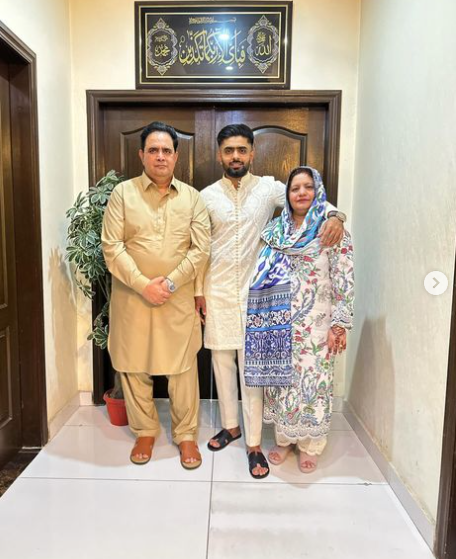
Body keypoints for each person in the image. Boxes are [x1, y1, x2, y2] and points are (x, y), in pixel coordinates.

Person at [195, 124, 346, 479]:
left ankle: (252, 443)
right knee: (221, 361)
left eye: (242, 150)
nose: (235, 156)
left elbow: (308, 198)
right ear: (220, 154)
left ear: (252, 153)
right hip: (216, 291)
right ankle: (230, 426)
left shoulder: (268, 189)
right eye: (229, 150)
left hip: (258, 294)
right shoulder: (205, 196)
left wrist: (336, 216)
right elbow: (199, 247)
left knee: (253, 369)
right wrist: (198, 291)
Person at [102, 121, 210, 469]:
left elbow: (200, 250)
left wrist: (171, 283)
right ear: (141, 155)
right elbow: (111, 245)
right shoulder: (123, 194)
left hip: (175, 300)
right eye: (153, 150)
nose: (160, 156)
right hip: (133, 298)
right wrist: (142, 283)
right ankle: (145, 430)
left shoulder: (192, 198)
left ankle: (187, 435)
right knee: (134, 366)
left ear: (176, 156)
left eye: (166, 150)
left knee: (182, 368)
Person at [244, 165, 354, 473]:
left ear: (317, 191)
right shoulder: (275, 231)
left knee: (313, 384)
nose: (301, 193)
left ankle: (310, 445)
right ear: (287, 195)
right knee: (282, 382)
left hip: (316, 326)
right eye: (295, 189)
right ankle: (284, 439)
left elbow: (344, 276)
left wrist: (339, 324)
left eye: (308, 187)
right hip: (277, 321)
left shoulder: (330, 229)